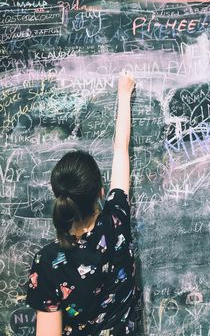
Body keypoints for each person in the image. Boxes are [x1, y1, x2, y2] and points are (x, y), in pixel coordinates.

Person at [26, 72, 137, 336]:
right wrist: (124, 94)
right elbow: (121, 149)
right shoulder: (116, 225)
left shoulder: (48, 261)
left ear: (59, 197)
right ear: (101, 191)